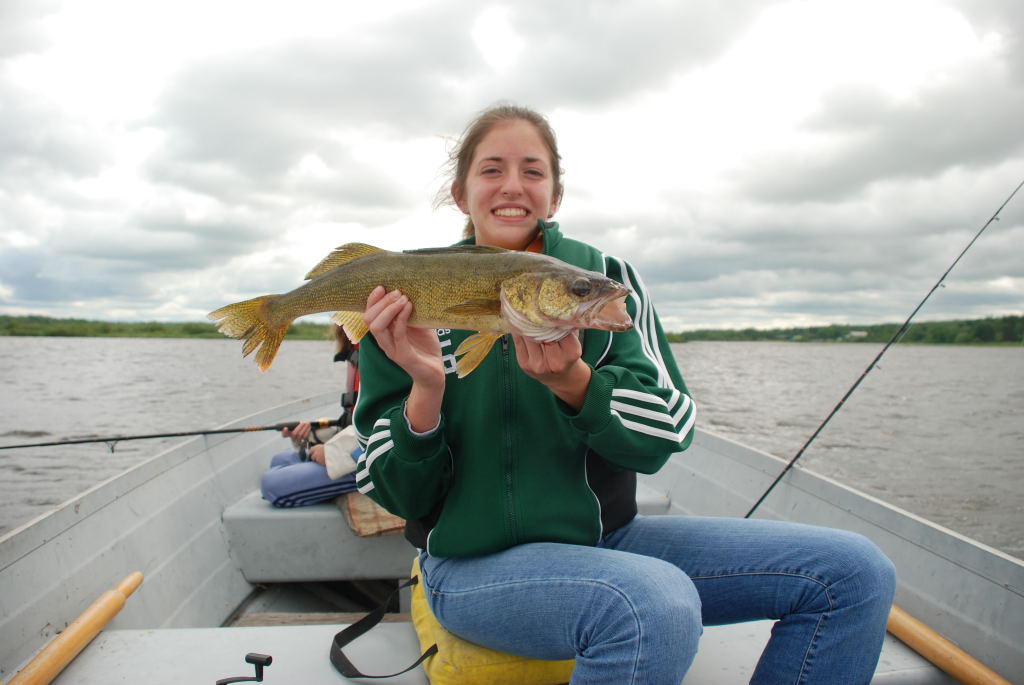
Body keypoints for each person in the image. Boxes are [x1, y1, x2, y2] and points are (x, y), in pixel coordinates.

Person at [352, 105, 896, 684]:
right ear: (460, 194)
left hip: (608, 540)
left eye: (533, 172)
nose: (513, 186)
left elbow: (666, 430)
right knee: (649, 602)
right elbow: (398, 492)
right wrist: (428, 389)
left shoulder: (604, 280)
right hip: (468, 566)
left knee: (855, 572)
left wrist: (576, 384)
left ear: (555, 195)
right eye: (492, 170)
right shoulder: (402, 293)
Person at [260, 326, 362, 507]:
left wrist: (333, 453)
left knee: (271, 485)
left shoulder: (389, 344)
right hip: (361, 443)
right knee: (280, 460)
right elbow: (360, 417)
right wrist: (316, 435)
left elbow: (396, 421)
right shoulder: (360, 343)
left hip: (378, 461)